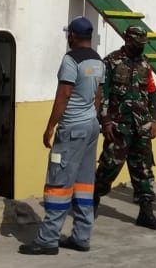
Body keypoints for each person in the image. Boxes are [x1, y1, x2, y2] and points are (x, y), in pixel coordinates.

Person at [19, 17, 104, 256]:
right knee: (84, 184)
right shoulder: (98, 61)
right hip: (91, 126)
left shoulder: (70, 60)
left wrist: (50, 127)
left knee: (58, 183)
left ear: (72, 36)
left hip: (72, 129)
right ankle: (81, 237)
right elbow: (98, 96)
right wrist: (90, 118)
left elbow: (64, 95)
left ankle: (47, 240)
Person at [94, 25, 156, 231]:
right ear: (127, 39)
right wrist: (106, 121)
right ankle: (91, 202)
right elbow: (103, 92)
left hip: (141, 127)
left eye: (143, 43)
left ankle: (146, 212)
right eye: (137, 43)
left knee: (144, 170)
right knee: (109, 166)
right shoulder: (111, 61)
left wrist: (154, 120)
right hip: (118, 126)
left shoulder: (145, 64)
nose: (141, 47)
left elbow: (152, 92)